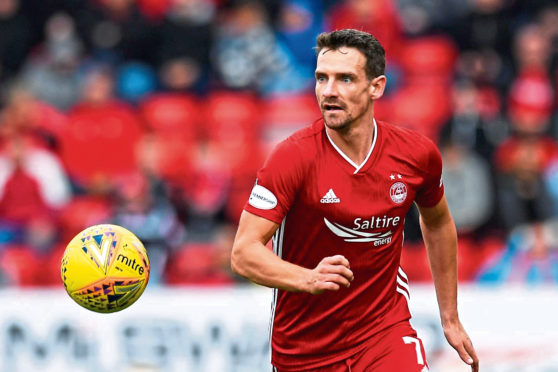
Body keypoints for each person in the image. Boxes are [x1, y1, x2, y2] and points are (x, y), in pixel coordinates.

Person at [231, 29, 479, 372]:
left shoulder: (416, 155)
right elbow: (243, 254)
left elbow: (437, 222)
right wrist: (309, 279)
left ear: (376, 86)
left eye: (345, 79)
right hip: (304, 349)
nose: (329, 91)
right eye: (322, 78)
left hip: (384, 332)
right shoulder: (292, 157)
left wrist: (449, 318)